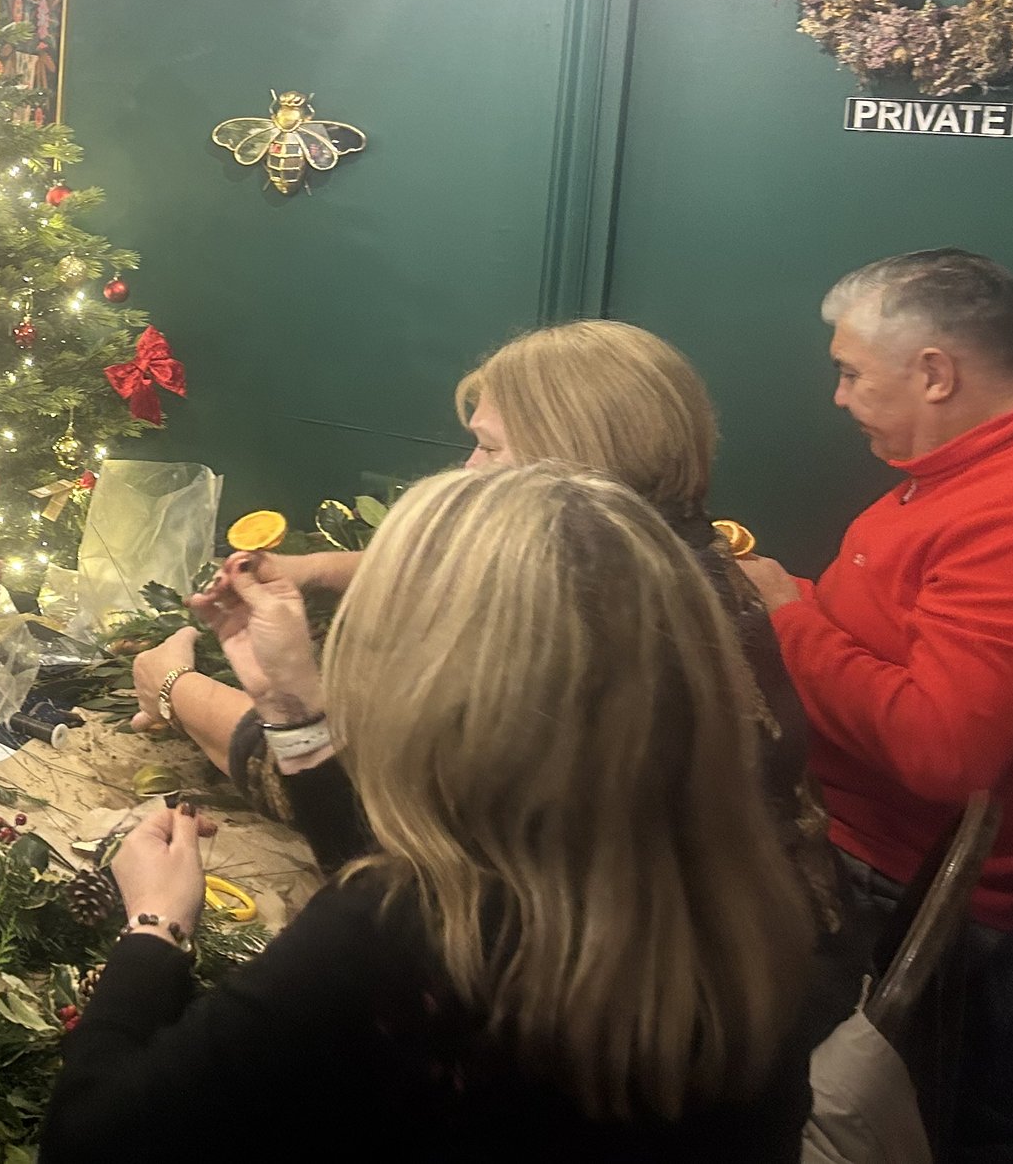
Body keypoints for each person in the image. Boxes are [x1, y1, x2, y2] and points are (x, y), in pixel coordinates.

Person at [43, 464, 818, 1161]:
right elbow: (387, 873)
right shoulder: (745, 914)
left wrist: (155, 928)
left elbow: (89, 1140)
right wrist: (291, 704)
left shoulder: (394, 935)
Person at [134, 319, 840, 932]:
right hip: (781, 945)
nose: (469, 466)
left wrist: (173, 685)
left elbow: (359, 813)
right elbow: (465, 560)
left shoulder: (566, 648)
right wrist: (315, 567)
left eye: (491, 448)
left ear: (572, 464)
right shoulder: (686, 558)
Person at [736, 249, 1013, 1160]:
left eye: (852, 373)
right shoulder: (956, 471)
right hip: (860, 844)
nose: (839, 395)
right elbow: (899, 636)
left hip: (896, 891)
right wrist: (796, 600)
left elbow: (944, 749)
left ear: (935, 372)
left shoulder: (1007, 513)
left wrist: (789, 618)